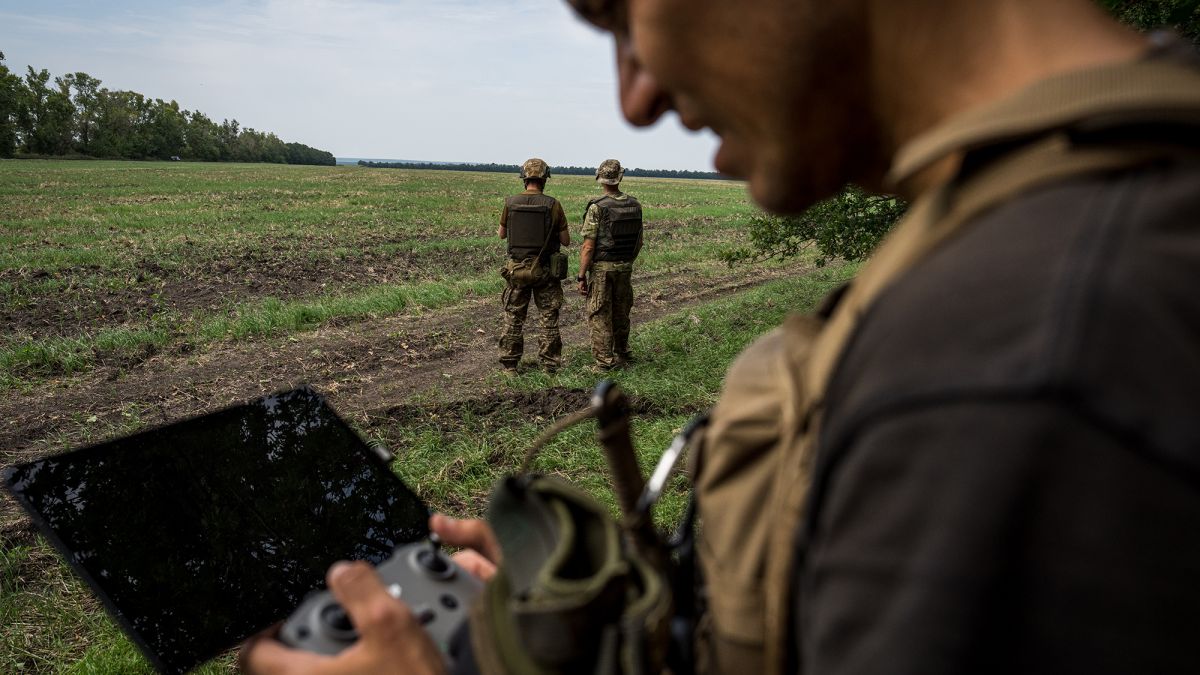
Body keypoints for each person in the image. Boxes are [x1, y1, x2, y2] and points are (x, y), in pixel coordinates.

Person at [243, 1, 1200, 673]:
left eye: (620, 12)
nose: (638, 94)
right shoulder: (1041, 235)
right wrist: (613, 616)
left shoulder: (1012, 357)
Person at [496, 158, 571, 374]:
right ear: (544, 179)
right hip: (544, 272)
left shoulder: (510, 202)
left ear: (524, 178)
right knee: (548, 318)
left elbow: (502, 234)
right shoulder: (553, 204)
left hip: (517, 272)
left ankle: (510, 366)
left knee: (513, 318)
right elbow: (566, 240)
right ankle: (549, 366)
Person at [577, 159, 643, 370]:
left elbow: (588, 246)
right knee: (621, 311)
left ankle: (604, 362)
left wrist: (581, 275)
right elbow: (639, 241)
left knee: (600, 313)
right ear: (620, 177)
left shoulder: (598, 207)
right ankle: (622, 354)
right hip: (624, 267)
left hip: (603, 269)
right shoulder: (635, 205)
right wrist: (627, 262)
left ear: (600, 178)